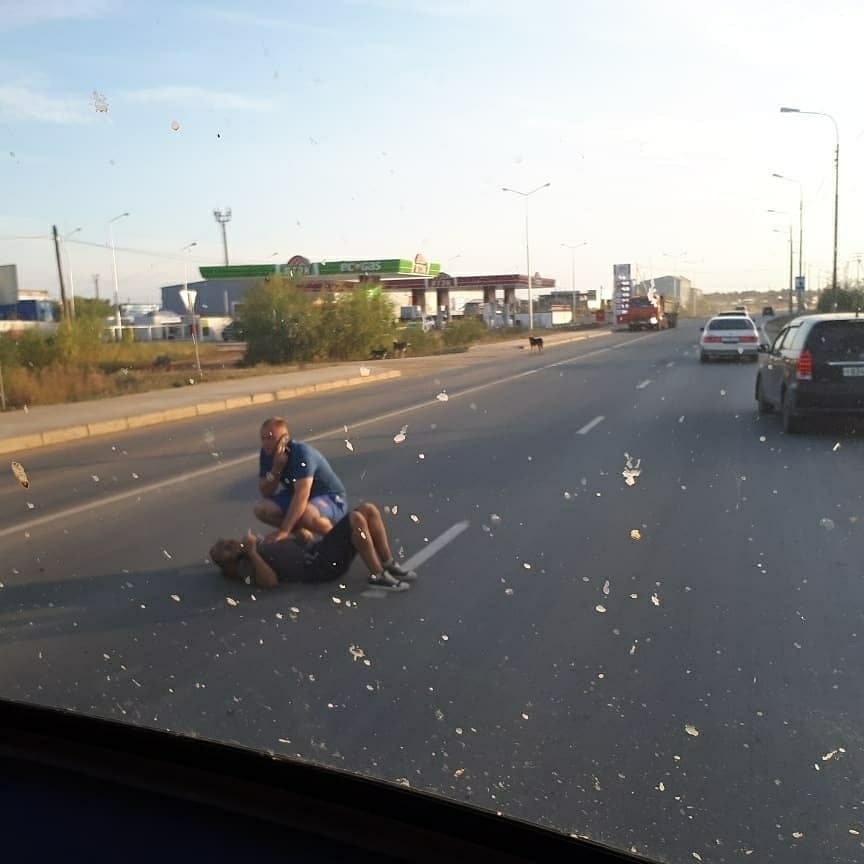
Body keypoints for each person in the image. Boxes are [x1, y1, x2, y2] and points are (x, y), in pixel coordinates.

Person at [210, 502, 416, 592]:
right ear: (227, 565)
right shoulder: (246, 563)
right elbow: (270, 582)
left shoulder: (255, 546)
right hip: (321, 565)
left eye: (226, 541)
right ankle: (378, 575)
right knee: (356, 519)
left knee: (368, 510)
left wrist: (298, 532)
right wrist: (253, 552)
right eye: (226, 548)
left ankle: (388, 563)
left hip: (318, 549)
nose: (229, 542)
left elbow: (298, 543)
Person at [255, 417, 348, 544]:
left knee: (306, 514)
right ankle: (303, 535)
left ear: (284, 439)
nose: (265, 443)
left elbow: (301, 495)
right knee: (262, 509)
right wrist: (276, 468)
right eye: (263, 438)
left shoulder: (302, 453)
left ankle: (340, 540)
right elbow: (265, 492)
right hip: (301, 496)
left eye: (270, 438)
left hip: (329, 497)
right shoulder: (267, 453)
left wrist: (284, 531)